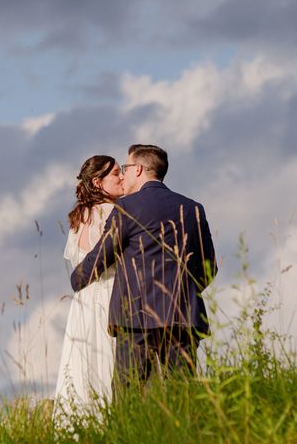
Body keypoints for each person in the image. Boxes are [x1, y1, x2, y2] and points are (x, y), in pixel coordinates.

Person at [71, 144, 217, 390]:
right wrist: (185, 290)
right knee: (184, 393)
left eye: (126, 168)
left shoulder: (126, 208)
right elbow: (208, 265)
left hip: (136, 317)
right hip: (182, 315)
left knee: (129, 395)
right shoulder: (192, 207)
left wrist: (77, 278)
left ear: (138, 170)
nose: (124, 175)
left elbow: (103, 254)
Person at [54, 155, 124, 416]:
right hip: (111, 295)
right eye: (116, 174)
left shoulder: (79, 216)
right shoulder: (114, 213)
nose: (122, 178)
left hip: (83, 302)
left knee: (84, 365)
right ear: (98, 182)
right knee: (110, 360)